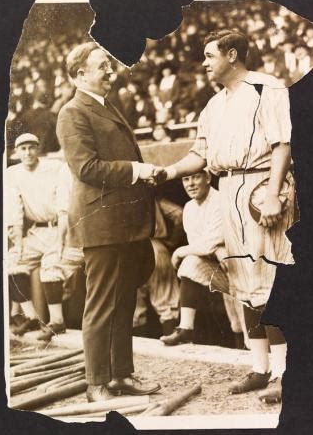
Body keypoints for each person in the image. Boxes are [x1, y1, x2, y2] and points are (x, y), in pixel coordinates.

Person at [155, 29, 296, 404]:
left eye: (209, 55)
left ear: (232, 55)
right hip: (228, 187)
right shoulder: (213, 105)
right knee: (244, 282)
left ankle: (285, 372)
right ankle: (260, 368)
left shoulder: (268, 88)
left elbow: (282, 145)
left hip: (261, 184)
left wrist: (271, 195)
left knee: (270, 279)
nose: (204, 63)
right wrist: (166, 173)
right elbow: (200, 155)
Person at [56, 42, 162, 402]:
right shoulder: (72, 112)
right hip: (102, 225)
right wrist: (136, 170)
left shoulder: (103, 106)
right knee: (102, 305)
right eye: (103, 65)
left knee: (124, 301)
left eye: (110, 65)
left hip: (123, 222)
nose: (111, 70)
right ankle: (96, 383)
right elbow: (85, 168)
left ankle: (120, 375)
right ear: (79, 73)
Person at [6, 133, 83, 340]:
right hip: (37, 231)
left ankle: (57, 321)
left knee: (51, 266)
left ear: (38, 148)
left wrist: (60, 241)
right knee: (12, 262)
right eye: (23, 149)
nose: (28, 152)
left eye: (31, 147)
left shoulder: (55, 167)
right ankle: (31, 317)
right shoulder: (13, 173)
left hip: (61, 229)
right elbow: (15, 211)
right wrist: (18, 242)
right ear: (16, 152)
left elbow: (64, 208)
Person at [160, 170, 247, 348]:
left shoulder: (222, 200)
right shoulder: (189, 208)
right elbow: (200, 248)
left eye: (196, 177)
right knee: (191, 262)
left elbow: (209, 243)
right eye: (186, 179)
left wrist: (178, 252)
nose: (190, 184)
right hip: (218, 262)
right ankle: (185, 328)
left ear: (208, 178)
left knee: (245, 324)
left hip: (242, 265)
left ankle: (255, 359)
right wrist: (193, 252)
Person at [133, 198, 184, 337]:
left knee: (134, 308)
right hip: (156, 249)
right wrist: (172, 241)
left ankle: (139, 352)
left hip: (129, 251)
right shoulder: (150, 195)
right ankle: (170, 341)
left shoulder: (113, 193)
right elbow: (179, 214)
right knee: (166, 303)